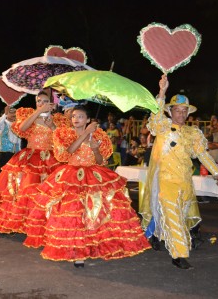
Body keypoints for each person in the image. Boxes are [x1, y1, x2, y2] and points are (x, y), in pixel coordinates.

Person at [23, 106, 150, 267]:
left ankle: (94, 245)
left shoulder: (98, 136)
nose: (76, 119)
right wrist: (85, 133)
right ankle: (78, 253)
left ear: (88, 119)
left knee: (94, 213)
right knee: (74, 214)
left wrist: (96, 149)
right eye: (74, 116)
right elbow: (68, 152)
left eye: (81, 116)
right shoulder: (64, 133)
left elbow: (99, 161)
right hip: (71, 177)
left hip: (94, 176)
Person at [140, 75, 218, 270]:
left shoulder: (194, 133)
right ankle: (179, 254)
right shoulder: (161, 127)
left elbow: (202, 154)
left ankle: (162, 238)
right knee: (173, 216)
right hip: (165, 181)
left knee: (180, 216)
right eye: (176, 110)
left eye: (183, 111)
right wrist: (162, 92)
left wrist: (216, 172)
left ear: (188, 113)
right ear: (170, 111)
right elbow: (154, 118)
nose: (180, 114)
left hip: (185, 182)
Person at [0, 91, 61, 233]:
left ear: (51, 103)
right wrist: (38, 112)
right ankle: (22, 222)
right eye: (39, 101)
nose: (41, 103)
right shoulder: (29, 116)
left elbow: (61, 138)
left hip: (50, 160)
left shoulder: (57, 120)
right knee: (23, 190)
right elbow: (21, 128)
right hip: (30, 157)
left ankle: (43, 222)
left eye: (45, 101)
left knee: (46, 192)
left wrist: (52, 126)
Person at [0, 106, 21, 176]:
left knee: (14, 174)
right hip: (5, 153)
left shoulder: (18, 125)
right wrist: (5, 114)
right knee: (3, 175)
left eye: (15, 112)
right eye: (11, 112)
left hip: (16, 154)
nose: (14, 114)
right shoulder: (3, 123)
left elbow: (19, 141)